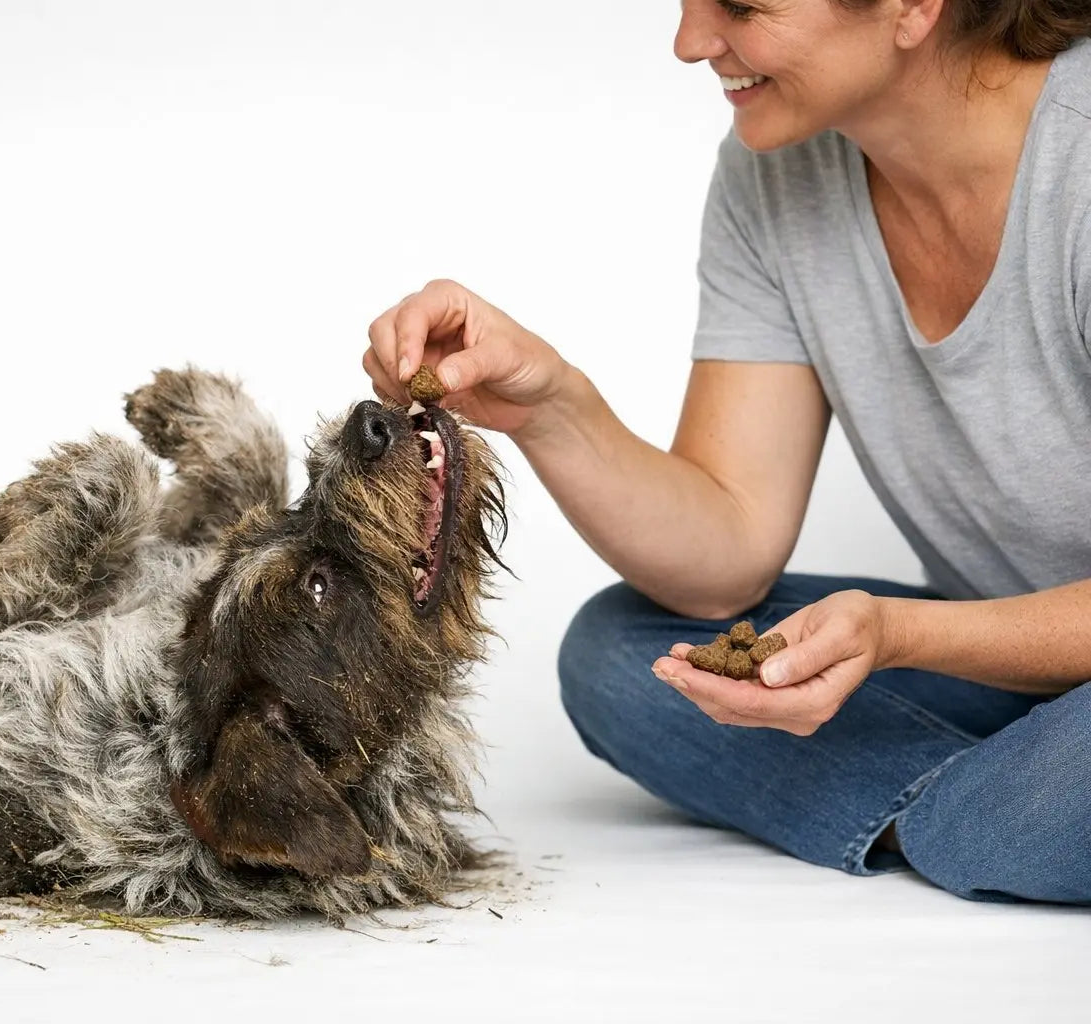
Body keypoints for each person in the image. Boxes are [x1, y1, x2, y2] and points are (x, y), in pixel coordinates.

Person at [362, 0, 1091, 905]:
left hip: (1005, 650)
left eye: (742, 5)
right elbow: (726, 559)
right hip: (1024, 659)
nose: (691, 42)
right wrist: (550, 405)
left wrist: (905, 637)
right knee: (621, 655)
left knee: (1018, 819)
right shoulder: (778, 172)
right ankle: (1000, 811)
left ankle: (994, 820)